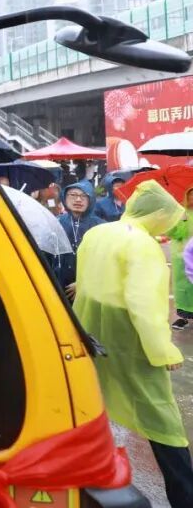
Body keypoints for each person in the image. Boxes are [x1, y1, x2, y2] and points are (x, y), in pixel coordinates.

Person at [73, 180, 193, 507]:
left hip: (92, 331)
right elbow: (145, 307)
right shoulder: (142, 245)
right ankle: (185, 495)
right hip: (129, 337)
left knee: (96, 401)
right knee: (162, 419)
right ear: (159, 215)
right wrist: (164, 351)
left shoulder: (98, 233)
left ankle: (90, 477)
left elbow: (83, 280)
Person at [56, 180, 104, 290]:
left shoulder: (101, 226)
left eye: (84, 196)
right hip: (58, 283)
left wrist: (83, 283)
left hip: (90, 286)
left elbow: (105, 260)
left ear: (91, 200)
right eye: (73, 195)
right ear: (64, 198)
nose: (78, 199)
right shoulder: (56, 223)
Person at [168, 186, 193, 329]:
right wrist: (181, 221)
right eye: (191, 194)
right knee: (183, 288)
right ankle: (184, 318)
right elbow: (173, 233)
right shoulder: (180, 214)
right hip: (181, 257)